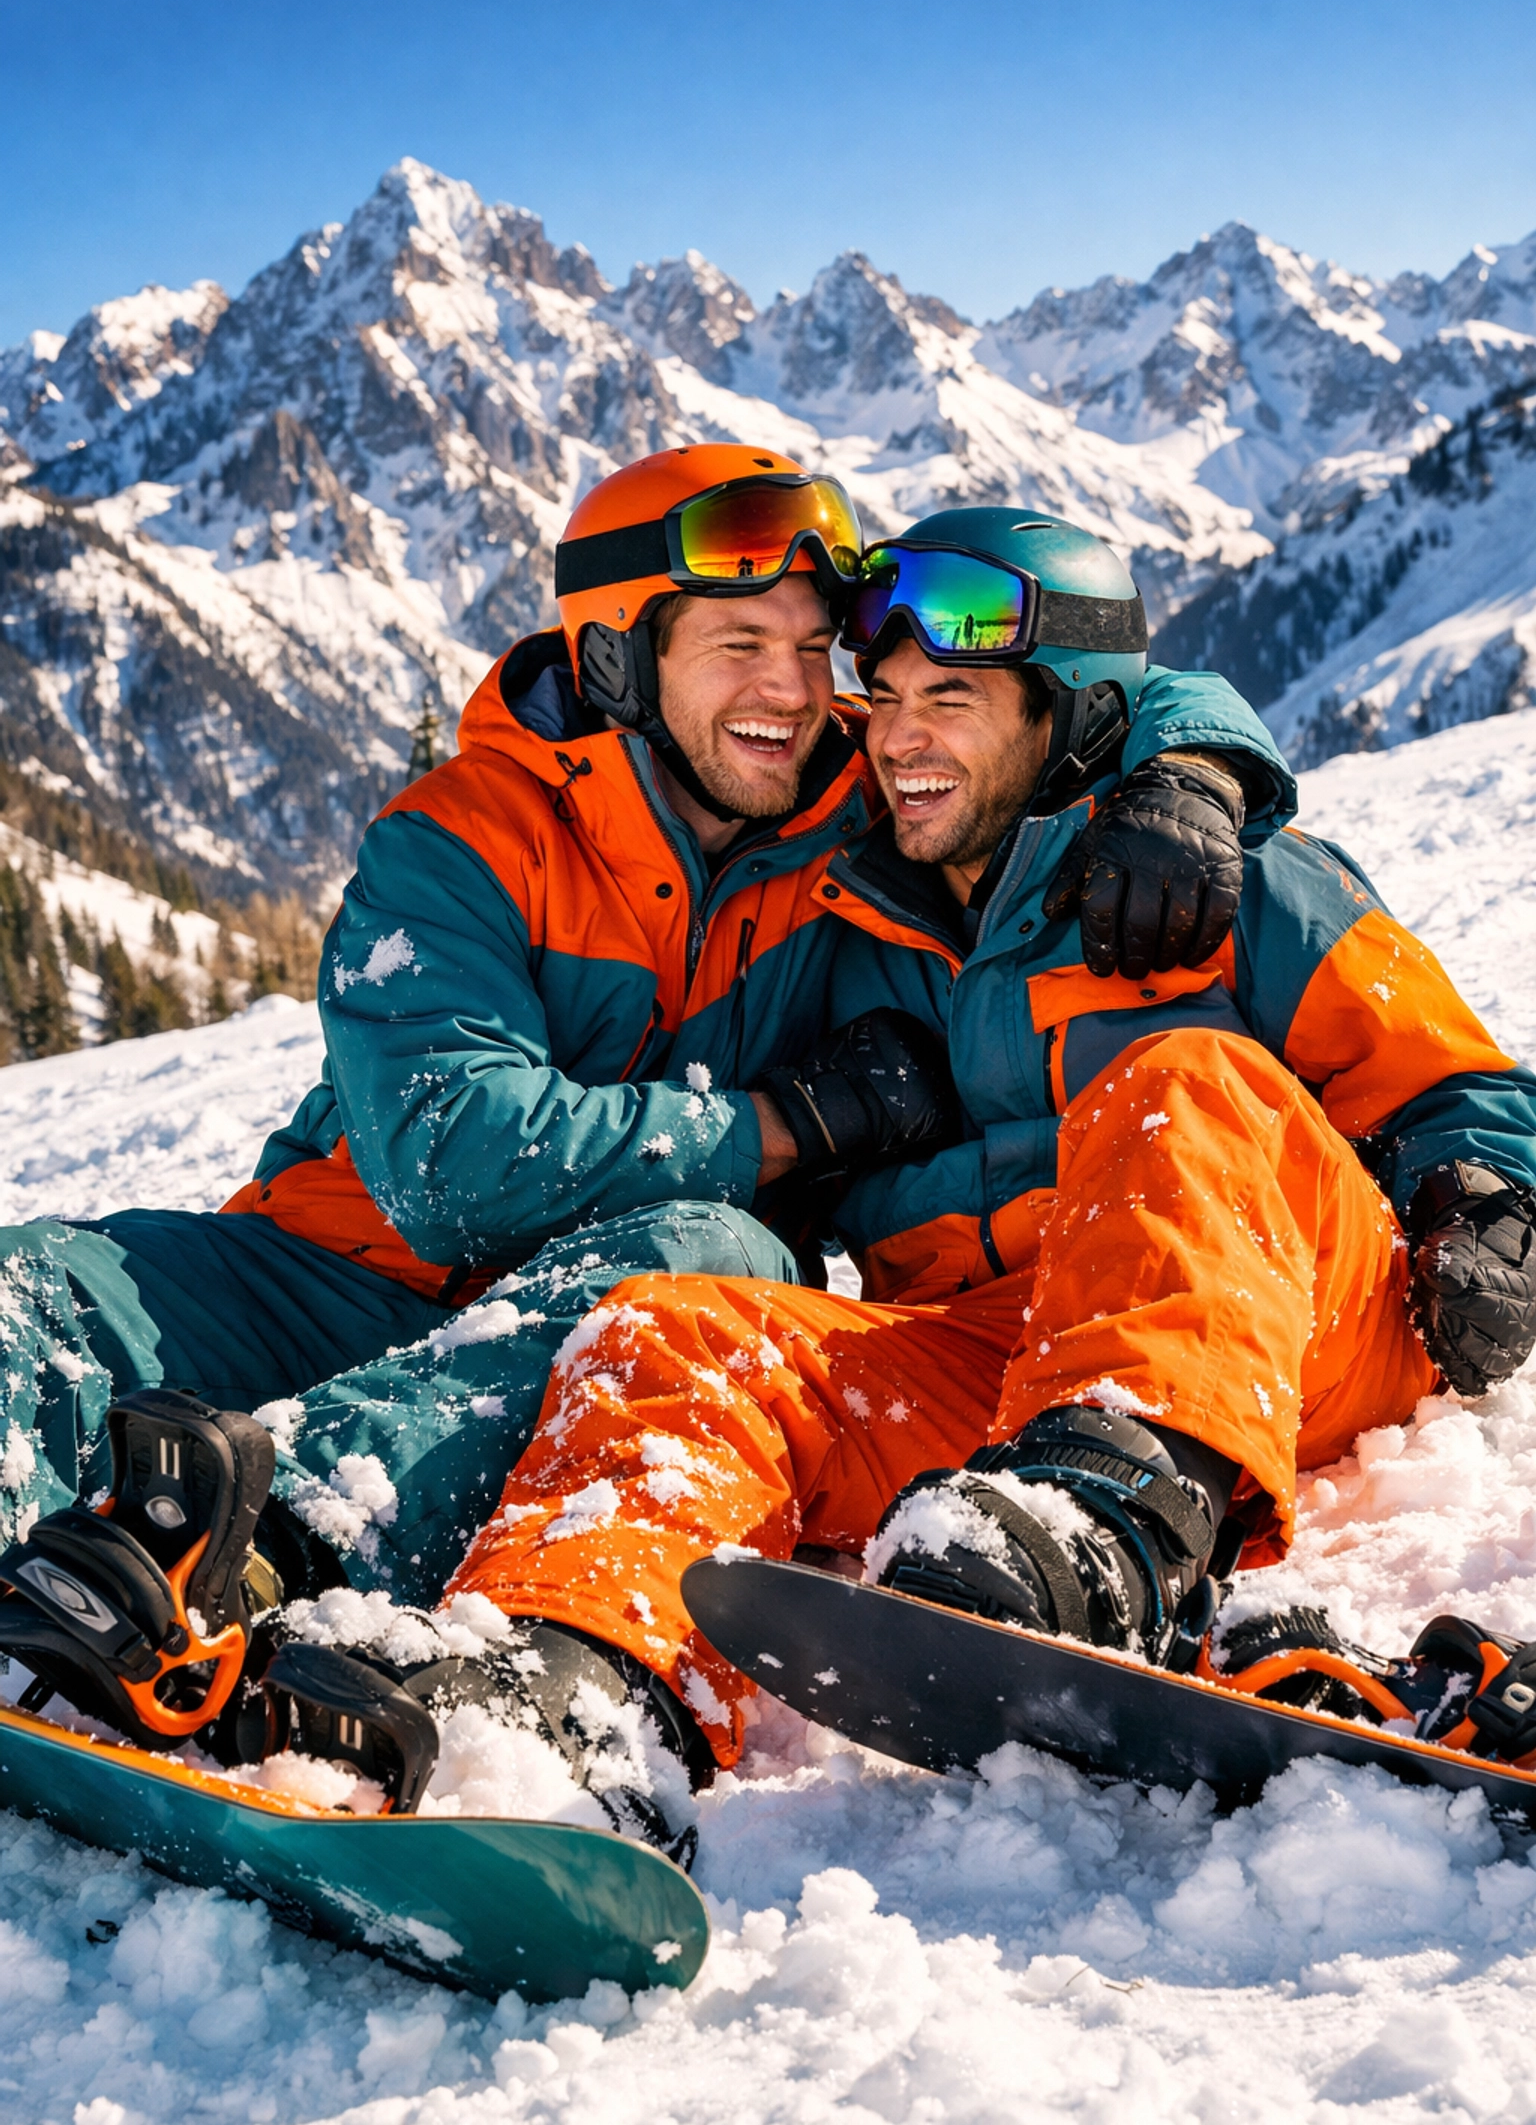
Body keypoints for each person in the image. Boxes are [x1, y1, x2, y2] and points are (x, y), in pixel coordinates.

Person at [0, 470, 1289, 1793]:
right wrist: (787, 1122)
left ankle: (254, 1568)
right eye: (741, 646)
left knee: (700, 1249)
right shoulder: (463, 835)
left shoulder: (856, 808)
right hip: (330, 1274)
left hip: (602, 1332)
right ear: (618, 658)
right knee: (34, 1287)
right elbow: (452, 1163)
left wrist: (1191, 771)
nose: (793, 692)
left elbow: (1066, 685)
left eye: (809, 648)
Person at [282, 503, 1536, 1851]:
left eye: (952, 698)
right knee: (679, 1327)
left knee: (1182, 1084)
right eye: (880, 697)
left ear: (1071, 713)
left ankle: (1105, 1520)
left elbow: (1463, 1088)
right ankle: (578, 1685)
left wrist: (1487, 1212)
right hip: (996, 1370)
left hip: (1287, 1330)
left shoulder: (1229, 875)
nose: (896, 739)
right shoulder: (847, 926)